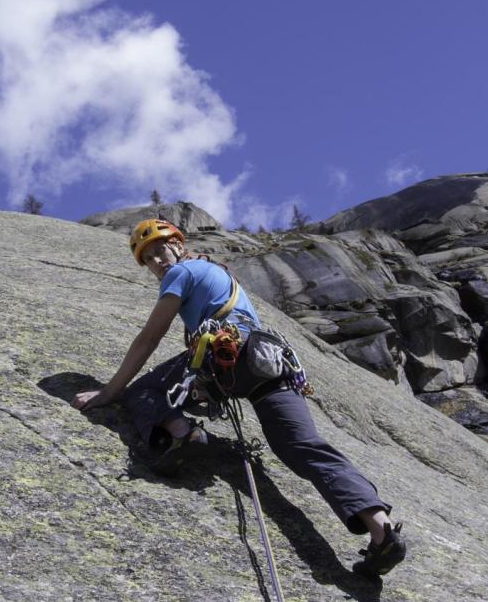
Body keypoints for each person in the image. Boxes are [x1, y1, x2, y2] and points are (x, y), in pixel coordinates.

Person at [71, 219, 406, 578]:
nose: (157, 261)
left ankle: (184, 434)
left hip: (227, 356)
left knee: (143, 391)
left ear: (179, 246)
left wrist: (109, 392)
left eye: (161, 250)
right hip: (267, 363)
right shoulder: (215, 273)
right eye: (149, 259)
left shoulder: (182, 272)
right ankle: (380, 530)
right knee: (302, 446)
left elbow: (150, 337)